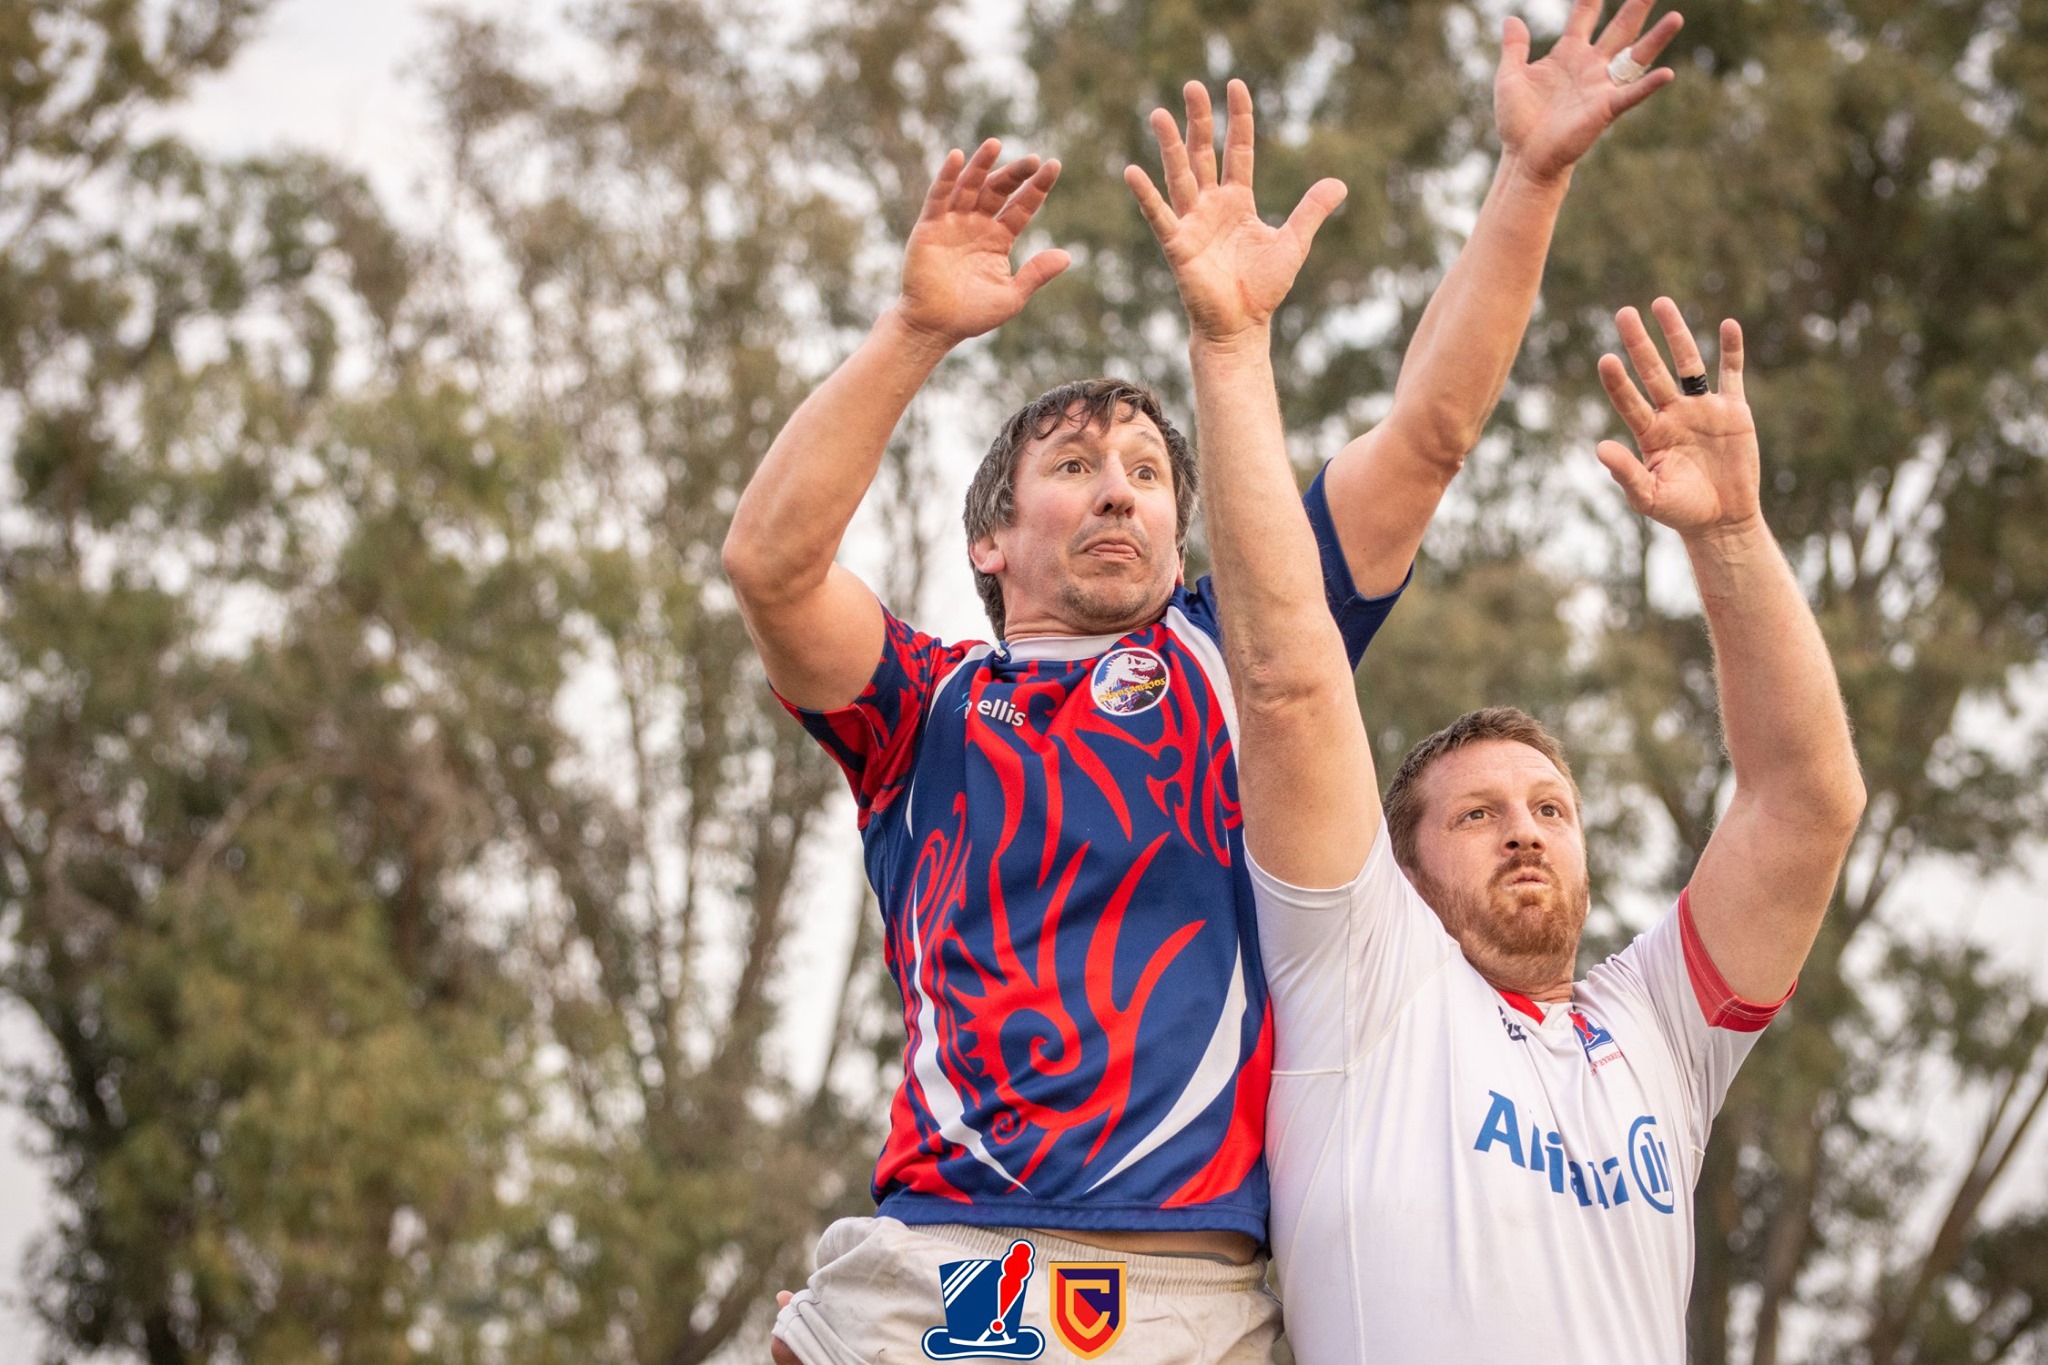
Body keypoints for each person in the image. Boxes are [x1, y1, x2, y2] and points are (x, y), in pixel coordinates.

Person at [725, 3, 1686, 1358]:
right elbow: (769, 566)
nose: (1118, 489)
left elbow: (1429, 432)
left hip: (1199, 1297)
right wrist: (912, 330)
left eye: (1145, 472)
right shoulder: (920, 707)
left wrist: (1530, 177)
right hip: (955, 1269)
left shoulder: (1236, 651)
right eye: (1074, 467)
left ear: (1183, 532)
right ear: (991, 540)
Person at [1187, 251, 1868, 1357]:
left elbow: (1806, 802)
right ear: (1402, 875)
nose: (1522, 828)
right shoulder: (1363, 977)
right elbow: (1286, 681)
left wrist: (1731, 534)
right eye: (1476, 815)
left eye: (1552, 809)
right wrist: (1229, 348)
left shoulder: (1656, 1029)